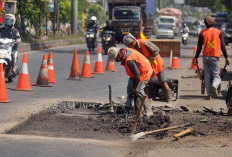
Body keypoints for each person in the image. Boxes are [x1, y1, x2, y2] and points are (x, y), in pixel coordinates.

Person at [123, 33, 172, 103]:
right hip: (147, 68)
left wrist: (149, 61)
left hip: (156, 64)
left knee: (163, 82)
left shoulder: (144, 42)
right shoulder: (133, 49)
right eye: (128, 46)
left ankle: (169, 100)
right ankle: (148, 101)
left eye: (130, 44)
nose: (130, 46)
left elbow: (156, 50)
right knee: (145, 84)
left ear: (134, 40)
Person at [108, 47, 153, 116]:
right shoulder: (125, 52)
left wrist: (136, 86)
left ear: (119, 54)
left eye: (116, 58)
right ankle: (132, 110)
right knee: (130, 89)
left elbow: (137, 74)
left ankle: (149, 111)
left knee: (139, 91)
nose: (116, 60)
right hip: (136, 74)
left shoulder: (129, 60)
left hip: (145, 72)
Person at [193, 16, 230, 100]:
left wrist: (196, 58)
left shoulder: (202, 33)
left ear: (205, 24)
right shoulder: (218, 32)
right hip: (215, 57)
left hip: (206, 57)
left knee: (207, 76)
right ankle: (214, 85)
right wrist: (226, 57)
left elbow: (199, 47)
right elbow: (222, 46)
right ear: (213, 23)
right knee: (217, 75)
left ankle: (209, 95)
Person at [0, 14, 21, 82]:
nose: (8, 22)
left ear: (13, 22)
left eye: (10, 21)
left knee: (12, 55)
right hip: (2, 46)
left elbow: (18, 38)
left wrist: (16, 41)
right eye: (7, 21)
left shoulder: (15, 31)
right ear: (5, 21)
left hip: (11, 47)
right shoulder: (1, 29)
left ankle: (13, 69)